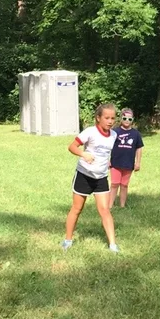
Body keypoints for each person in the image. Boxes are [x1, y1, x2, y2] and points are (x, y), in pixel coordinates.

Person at [63, 103, 120, 253]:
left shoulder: (113, 135)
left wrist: (108, 162)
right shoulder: (90, 132)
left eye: (112, 118)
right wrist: (83, 154)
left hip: (101, 177)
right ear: (98, 118)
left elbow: (106, 152)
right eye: (106, 118)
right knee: (77, 209)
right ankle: (68, 240)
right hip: (84, 175)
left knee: (105, 210)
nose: (110, 121)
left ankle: (113, 245)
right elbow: (72, 147)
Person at [110, 108, 143, 207]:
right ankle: (109, 205)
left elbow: (139, 148)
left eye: (130, 119)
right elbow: (108, 146)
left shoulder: (136, 134)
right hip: (115, 162)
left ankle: (122, 205)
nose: (127, 121)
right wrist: (108, 160)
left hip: (128, 163)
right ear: (121, 119)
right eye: (124, 118)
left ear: (132, 120)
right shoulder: (114, 132)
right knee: (114, 184)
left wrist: (138, 162)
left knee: (124, 185)